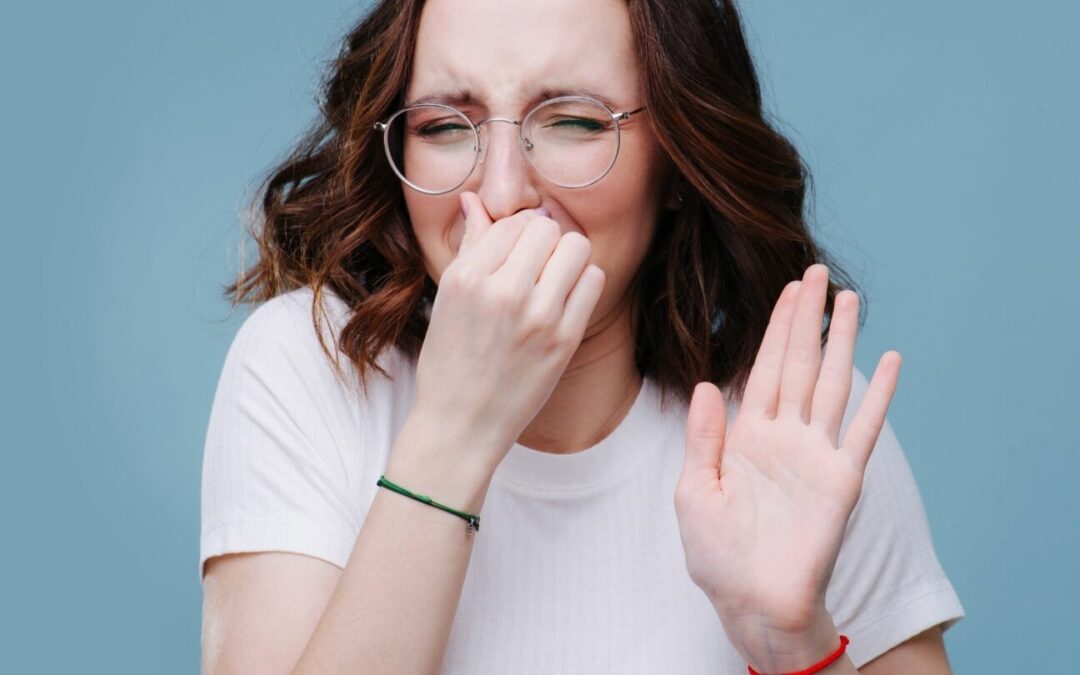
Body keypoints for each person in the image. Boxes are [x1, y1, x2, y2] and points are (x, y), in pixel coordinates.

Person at [199, 0, 965, 672]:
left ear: (675, 160)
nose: (500, 193)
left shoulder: (795, 425)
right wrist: (453, 437)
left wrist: (791, 641)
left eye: (572, 120)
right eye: (442, 125)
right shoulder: (308, 364)